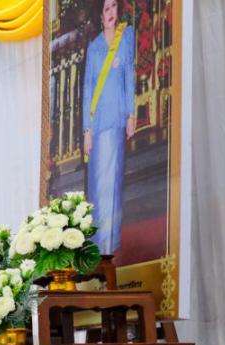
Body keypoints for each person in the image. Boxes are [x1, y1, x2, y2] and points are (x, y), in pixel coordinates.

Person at [82, 0, 136, 255]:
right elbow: (88, 90)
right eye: (107, 9)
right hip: (98, 124)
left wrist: (131, 114)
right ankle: (97, 246)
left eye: (114, 6)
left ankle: (110, 244)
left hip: (116, 120)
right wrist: (87, 131)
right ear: (101, 16)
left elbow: (129, 77)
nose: (111, 12)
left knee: (114, 181)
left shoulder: (126, 38)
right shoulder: (94, 48)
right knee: (99, 185)